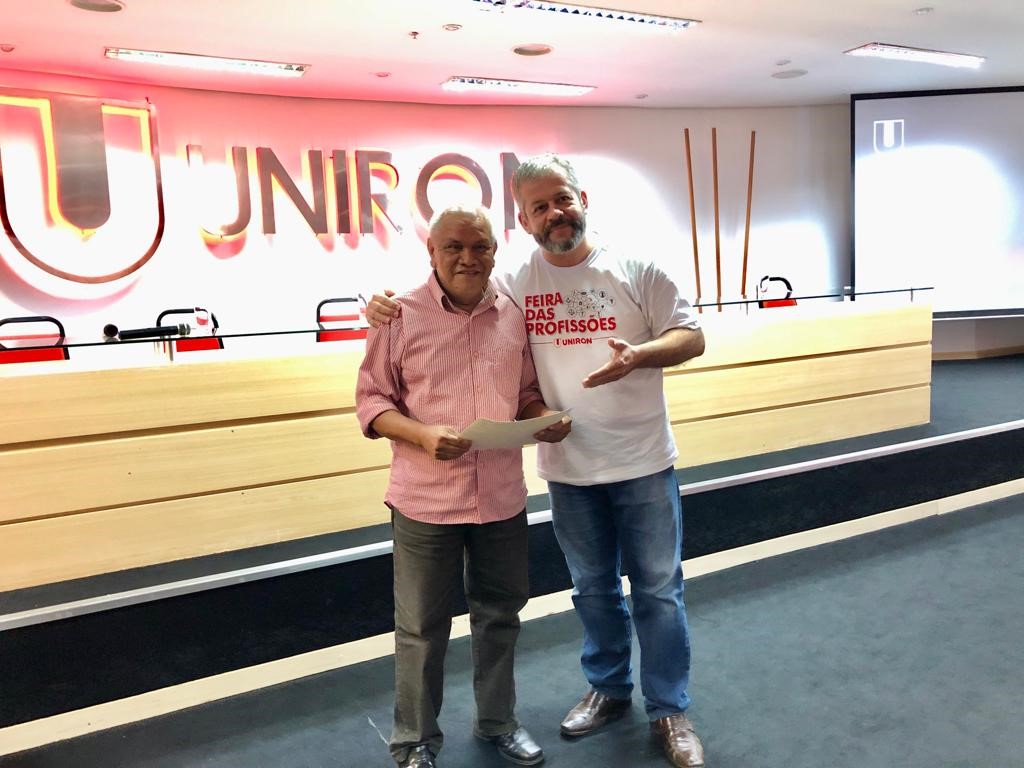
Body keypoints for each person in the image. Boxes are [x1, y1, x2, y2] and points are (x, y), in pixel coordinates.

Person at [367, 154, 707, 768]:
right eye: (539, 207)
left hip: (635, 464)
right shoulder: (507, 283)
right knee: (588, 592)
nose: (555, 213)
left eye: (563, 199)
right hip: (556, 473)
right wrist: (379, 306)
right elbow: (386, 379)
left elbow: (691, 336)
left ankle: (668, 710)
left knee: (656, 592)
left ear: (582, 199)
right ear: (523, 221)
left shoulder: (627, 270)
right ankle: (605, 690)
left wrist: (638, 356)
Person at [356, 204, 570, 768]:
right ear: (432, 251)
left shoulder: (512, 314)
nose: (468, 258)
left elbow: (525, 392)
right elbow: (372, 403)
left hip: (500, 498)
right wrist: (422, 435)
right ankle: (414, 741)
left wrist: (543, 417)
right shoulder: (397, 316)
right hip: (425, 502)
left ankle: (499, 722)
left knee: (500, 614)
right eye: (454, 246)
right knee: (421, 628)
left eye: (480, 247)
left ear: (495, 252)